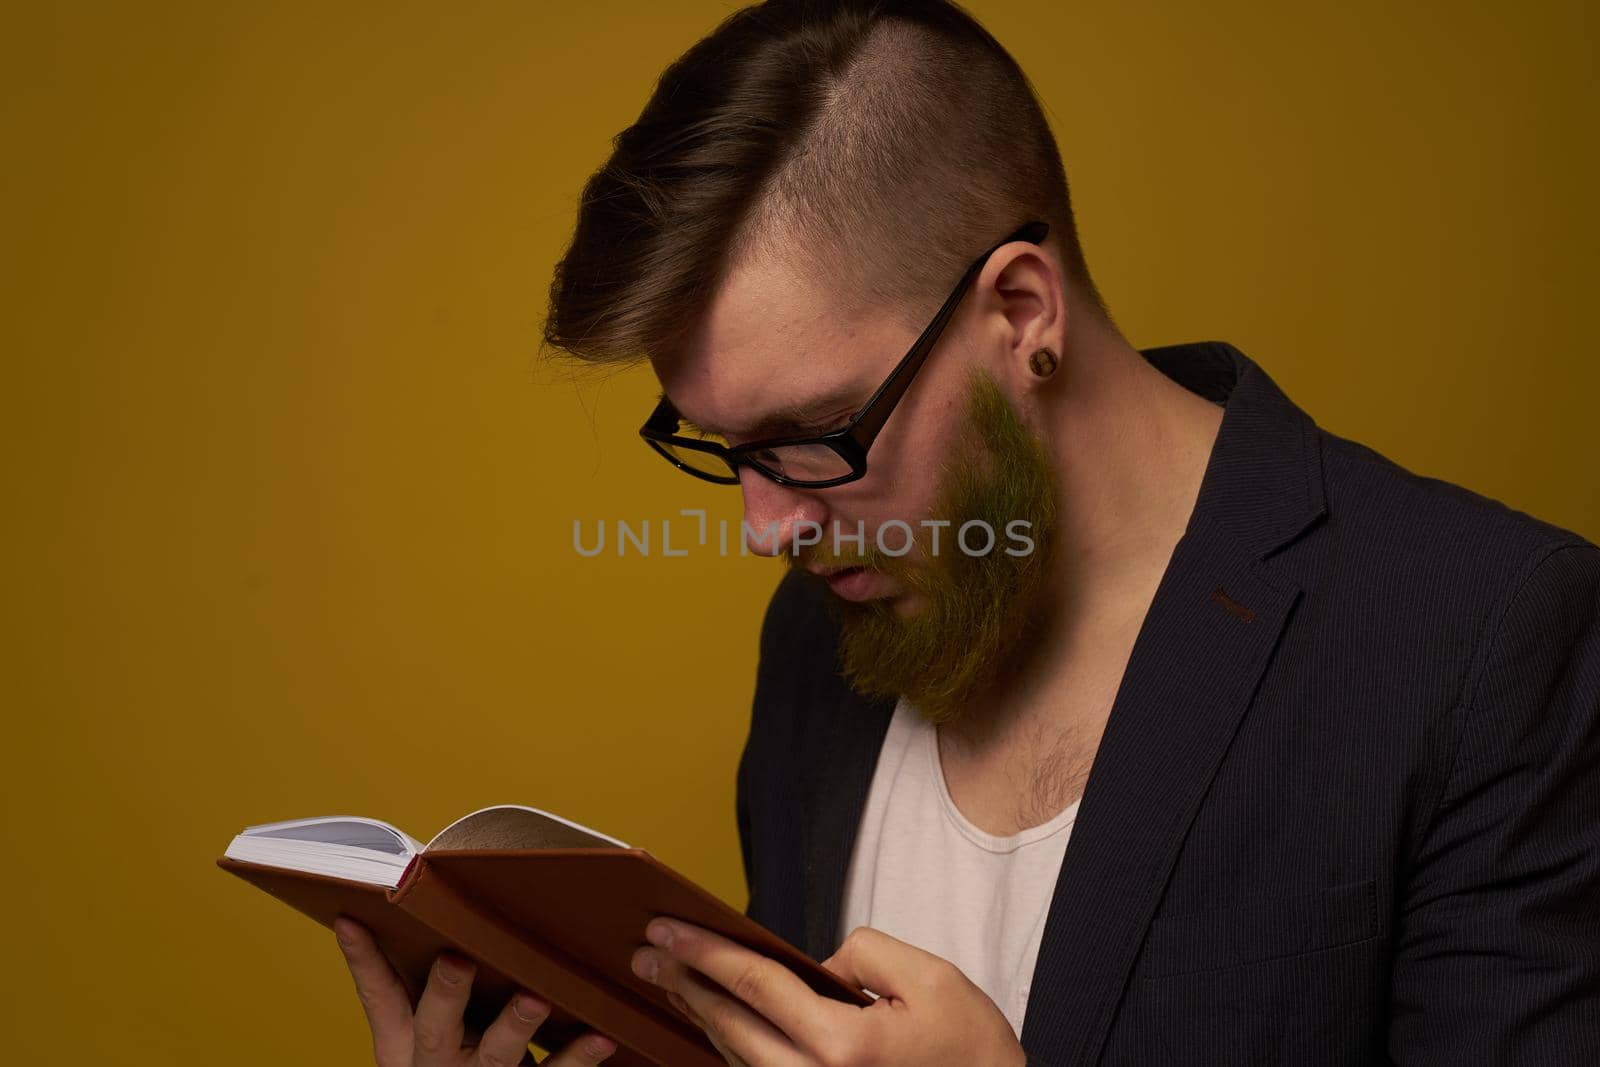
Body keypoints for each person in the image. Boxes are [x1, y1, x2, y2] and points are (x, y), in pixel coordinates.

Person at [336, 1, 1600, 1064]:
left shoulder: (1486, 640)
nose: (766, 529)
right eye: (722, 453)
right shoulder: (825, 627)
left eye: (816, 433)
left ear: (1021, 308)